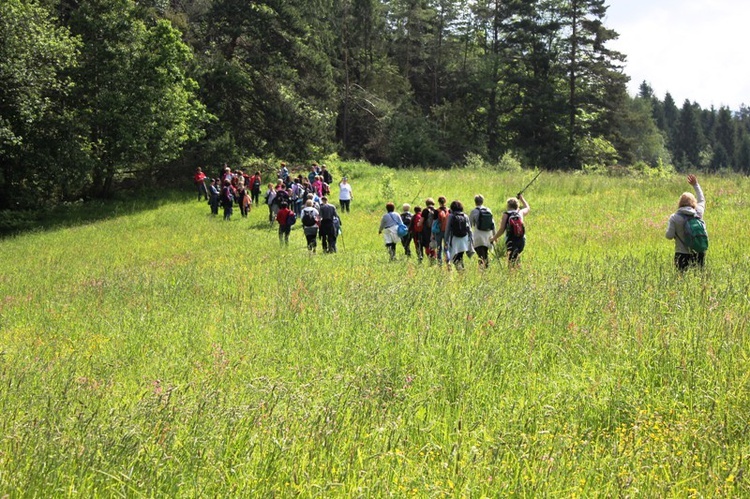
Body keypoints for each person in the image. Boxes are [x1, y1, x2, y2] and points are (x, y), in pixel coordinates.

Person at [666, 174, 706, 271]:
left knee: (681, 280)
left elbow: (669, 236)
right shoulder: (698, 213)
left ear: (680, 203)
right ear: (693, 203)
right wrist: (695, 184)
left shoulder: (674, 218)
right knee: (698, 279)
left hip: (681, 254)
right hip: (698, 252)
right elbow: (702, 200)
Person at [490, 193, 531, 266]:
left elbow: (502, 229)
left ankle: (512, 275)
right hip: (521, 240)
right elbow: (527, 207)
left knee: (511, 261)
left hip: (511, 241)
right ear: (517, 206)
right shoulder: (520, 213)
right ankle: (518, 273)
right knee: (516, 258)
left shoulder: (506, 214)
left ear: (508, 206)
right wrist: (521, 198)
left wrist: (494, 238)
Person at [444, 200, 472, 270]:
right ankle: (462, 271)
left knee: (454, 258)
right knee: (460, 256)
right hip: (464, 240)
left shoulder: (451, 216)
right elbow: (470, 229)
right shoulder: (465, 215)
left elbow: (447, 229)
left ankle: (461, 272)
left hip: (455, 239)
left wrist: (445, 241)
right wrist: (470, 240)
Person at [469, 194, 495, 269]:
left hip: (478, 236)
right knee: (485, 254)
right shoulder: (488, 210)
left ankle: (483, 271)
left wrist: (469, 237)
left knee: (481, 255)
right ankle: (485, 269)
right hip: (488, 236)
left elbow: (469, 225)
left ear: (475, 202)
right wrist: (494, 236)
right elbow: (493, 224)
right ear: (482, 201)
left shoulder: (473, 212)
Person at [434, 196, 450, 265]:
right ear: (445, 202)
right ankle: (448, 262)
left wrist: (432, 233)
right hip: (447, 231)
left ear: (439, 202)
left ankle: (439, 263)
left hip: (439, 231)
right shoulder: (449, 210)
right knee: (446, 247)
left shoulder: (436, 211)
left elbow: (434, 223)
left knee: (439, 247)